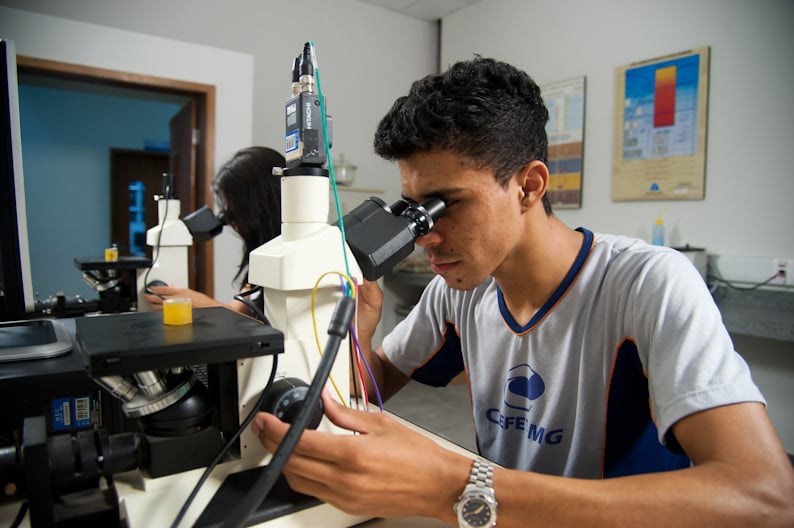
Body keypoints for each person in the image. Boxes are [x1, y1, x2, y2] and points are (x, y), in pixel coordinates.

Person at [251, 58, 794, 527]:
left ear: (529, 186)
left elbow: (765, 499)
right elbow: (359, 403)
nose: (425, 234)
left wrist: (457, 488)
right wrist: (357, 328)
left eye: (446, 205)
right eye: (413, 209)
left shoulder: (647, 284)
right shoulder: (458, 293)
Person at [145, 146, 284, 316]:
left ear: (261, 206)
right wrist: (187, 300)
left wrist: (202, 304)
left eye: (234, 212)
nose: (231, 223)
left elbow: (276, 333)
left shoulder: (292, 257)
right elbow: (239, 313)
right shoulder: (260, 255)